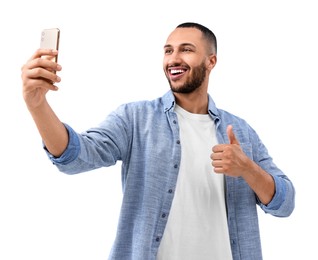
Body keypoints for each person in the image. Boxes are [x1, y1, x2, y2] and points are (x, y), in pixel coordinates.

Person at [21, 22, 295, 260]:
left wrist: (248, 169)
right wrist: (37, 105)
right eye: (168, 50)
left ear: (211, 61)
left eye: (186, 49)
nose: (173, 58)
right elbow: (75, 157)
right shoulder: (135, 119)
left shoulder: (242, 132)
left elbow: (285, 203)